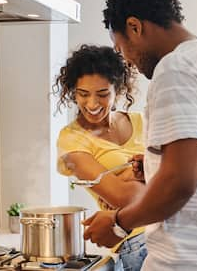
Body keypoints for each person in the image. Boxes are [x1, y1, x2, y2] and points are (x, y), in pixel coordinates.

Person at [82, 0, 197, 271]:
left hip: (183, 261)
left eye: (120, 48)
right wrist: (155, 165)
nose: (126, 61)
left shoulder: (174, 68)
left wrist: (117, 224)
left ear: (134, 27)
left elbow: (179, 182)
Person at [53, 44, 147, 270]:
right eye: (83, 94)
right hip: (138, 243)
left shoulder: (144, 121)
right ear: (72, 92)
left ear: (118, 90)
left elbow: (183, 178)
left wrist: (129, 177)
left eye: (103, 94)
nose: (92, 104)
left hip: (177, 231)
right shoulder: (71, 140)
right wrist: (146, 174)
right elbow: (127, 199)